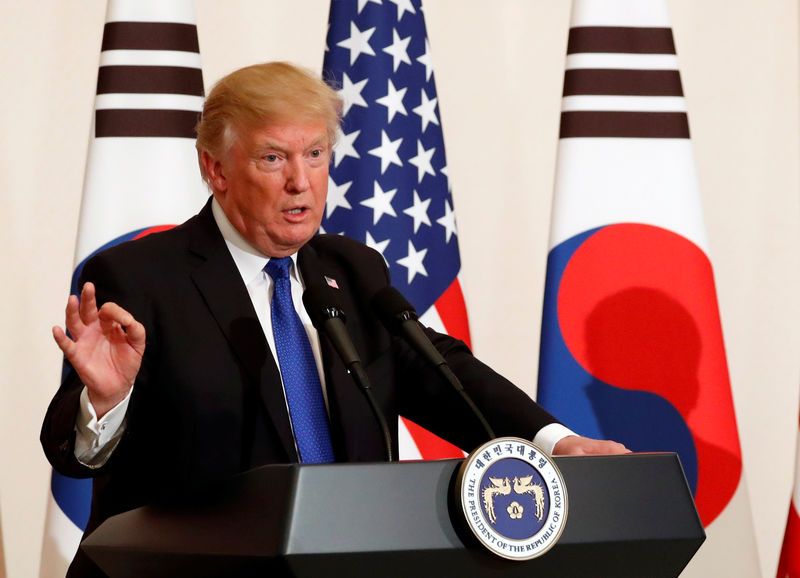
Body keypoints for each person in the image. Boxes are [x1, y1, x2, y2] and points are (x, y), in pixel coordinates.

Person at [42, 62, 627, 577]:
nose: (301, 181)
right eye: (273, 158)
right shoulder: (141, 277)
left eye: (316, 154)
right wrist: (106, 402)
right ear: (216, 169)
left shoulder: (350, 269)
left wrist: (556, 442)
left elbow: (439, 371)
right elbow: (72, 453)